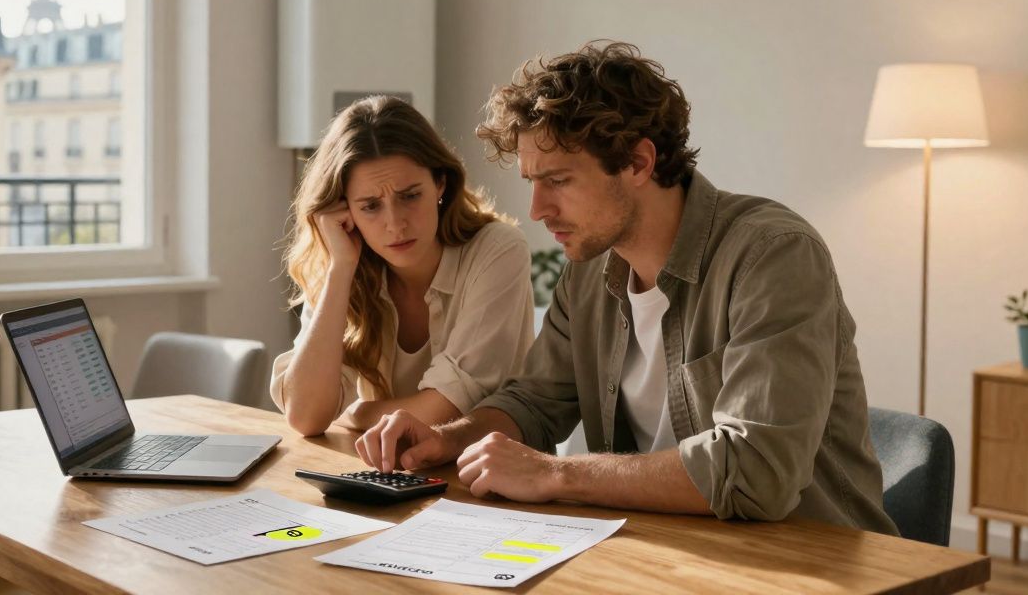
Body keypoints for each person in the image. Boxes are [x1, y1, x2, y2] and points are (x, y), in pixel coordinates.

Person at [353, 42, 898, 534]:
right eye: (532, 183)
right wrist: (447, 439)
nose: (538, 210)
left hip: (808, 564)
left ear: (638, 161)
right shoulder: (590, 267)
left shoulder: (772, 255)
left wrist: (557, 474)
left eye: (559, 181)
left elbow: (757, 471)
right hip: (666, 551)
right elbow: (535, 403)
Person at [271, 95, 536, 437]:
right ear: (344, 210)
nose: (395, 224)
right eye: (370, 206)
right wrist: (340, 270)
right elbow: (306, 416)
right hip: (383, 475)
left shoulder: (497, 249)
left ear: (440, 183)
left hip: (487, 477)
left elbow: (447, 407)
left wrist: (353, 413)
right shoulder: (345, 262)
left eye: (410, 196)